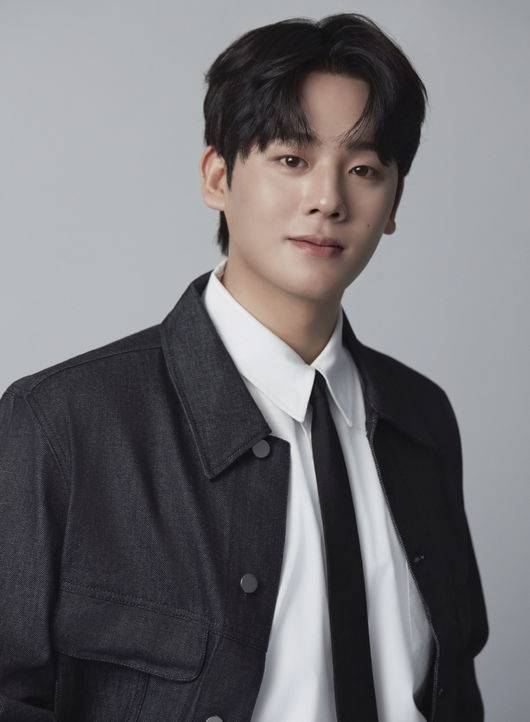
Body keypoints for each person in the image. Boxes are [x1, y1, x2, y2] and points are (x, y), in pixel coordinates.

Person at [0, 12, 488, 722]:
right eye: (291, 160)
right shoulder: (63, 424)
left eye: (363, 169)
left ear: (393, 203)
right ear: (217, 177)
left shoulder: (422, 419)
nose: (327, 199)